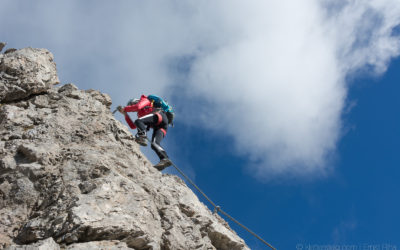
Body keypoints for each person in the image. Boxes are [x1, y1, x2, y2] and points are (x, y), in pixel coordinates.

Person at [118, 94, 174, 170]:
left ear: (136, 101)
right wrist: (125, 114)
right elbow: (133, 126)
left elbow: (137, 107)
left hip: (159, 116)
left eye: (132, 105)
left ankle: (142, 137)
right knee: (154, 144)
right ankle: (165, 159)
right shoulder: (140, 113)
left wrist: (125, 108)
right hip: (161, 126)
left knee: (139, 121)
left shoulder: (145, 100)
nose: (133, 109)